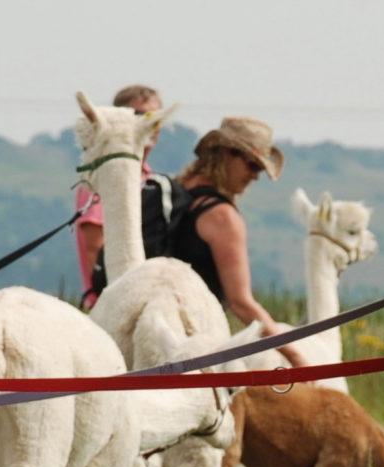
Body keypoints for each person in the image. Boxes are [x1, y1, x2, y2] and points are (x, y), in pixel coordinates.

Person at [172, 116, 306, 366]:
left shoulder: (176, 193)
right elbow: (241, 303)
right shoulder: (222, 217)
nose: (255, 177)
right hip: (193, 341)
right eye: (252, 165)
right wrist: (294, 356)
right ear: (226, 154)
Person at [74, 84, 161, 308]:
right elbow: (94, 246)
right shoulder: (100, 179)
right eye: (140, 115)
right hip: (108, 303)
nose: (149, 123)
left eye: (155, 117)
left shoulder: (151, 179)